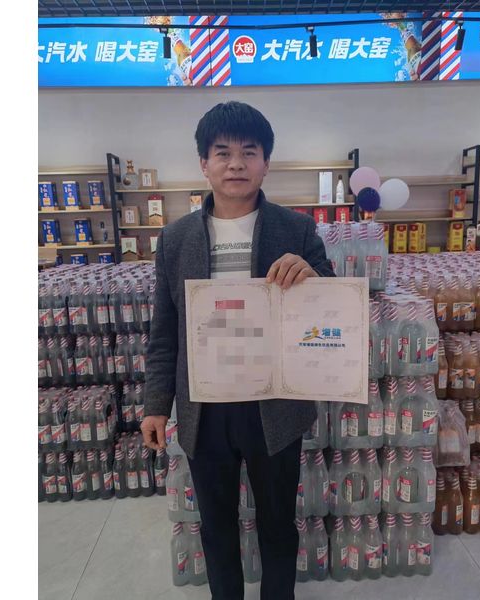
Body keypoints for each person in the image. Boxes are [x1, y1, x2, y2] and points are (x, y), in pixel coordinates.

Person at [141, 101, 335, 600]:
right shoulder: (175, 239)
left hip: (276, 403)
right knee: (216, 527)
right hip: (205, 407)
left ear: (266, 163)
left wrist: (311, 277)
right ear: (203, 163)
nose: (236, 164)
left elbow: (333, 304)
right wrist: (156, 405)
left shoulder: (296, 229)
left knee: (278, 524)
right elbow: (164, 331)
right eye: (222, 152)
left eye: (250, 152)